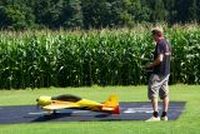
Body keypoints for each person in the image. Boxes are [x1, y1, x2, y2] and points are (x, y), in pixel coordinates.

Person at [145, 27, 172, 122]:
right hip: (166, 72)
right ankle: (164, 115)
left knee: (153, 92)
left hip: (158, 73)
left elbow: (160, 59)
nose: (153, 37)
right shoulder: (167, 43)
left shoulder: (160, 44)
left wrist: (150, 65)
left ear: (157, 34)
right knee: (165, 94)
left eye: (153, 35)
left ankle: (155, 115)